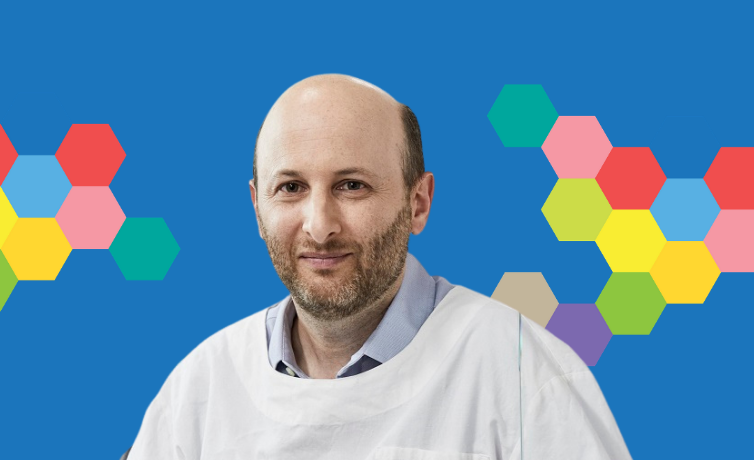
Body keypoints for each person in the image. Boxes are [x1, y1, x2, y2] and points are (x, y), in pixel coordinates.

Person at [126, 74, 633, 459]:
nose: (319, 226)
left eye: (352, 186)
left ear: (418, 203)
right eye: (291, 188)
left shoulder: (524, 377)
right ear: (257, 207)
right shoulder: (200, 390)